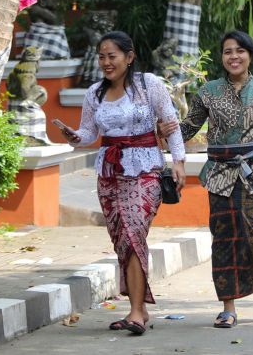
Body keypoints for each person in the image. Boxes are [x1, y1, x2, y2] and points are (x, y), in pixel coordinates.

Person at [158, 30, 253, 328]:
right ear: (222, 57)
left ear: (250, 55)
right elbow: (188, 127)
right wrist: (162, 136)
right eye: (227, 51)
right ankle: (228, 307)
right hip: (219, 173)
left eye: (239, 51)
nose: (233, 56)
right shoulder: (208, 92)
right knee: (223, 238)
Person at [60, 30, 187, 335]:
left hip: (146, 169)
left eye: (111, 56)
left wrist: (179, 161)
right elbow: (89, 133)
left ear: (129, 58)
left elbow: (170, 123)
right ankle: (139, 310)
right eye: (101, 56)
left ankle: (135, 311)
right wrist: (74, 136)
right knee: (123, 240)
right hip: (109, 173)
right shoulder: (94, 93)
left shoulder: (149, 85)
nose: (106, 62)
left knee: (133, 233)